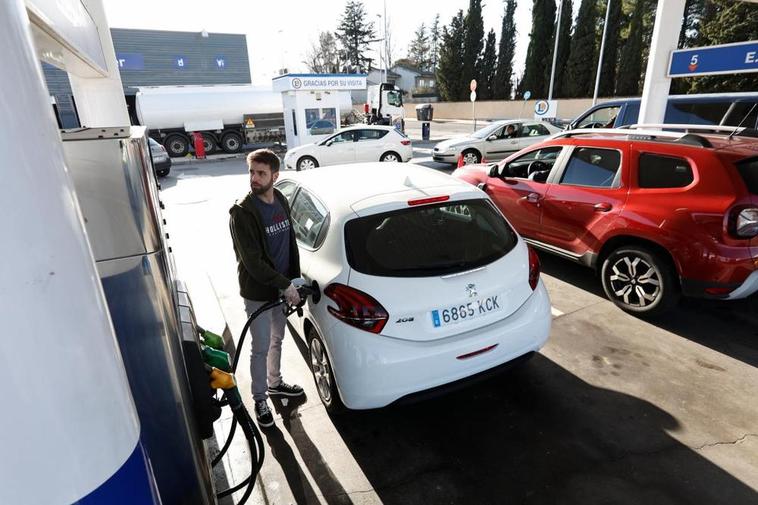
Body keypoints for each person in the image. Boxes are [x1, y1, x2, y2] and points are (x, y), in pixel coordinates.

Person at [229, 149, 304, 428]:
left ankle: (275, 384)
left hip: (281, 290)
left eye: (261, 173)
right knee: (260, 347)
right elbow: (253, 262)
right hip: (259, 292)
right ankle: (259, 398)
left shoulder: (281, 199)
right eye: (251, 172)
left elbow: (289, 244)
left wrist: (293, 280)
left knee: (277, 339)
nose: (255, 179)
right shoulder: (242, 212)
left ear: (275, 175)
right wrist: (285, 285)